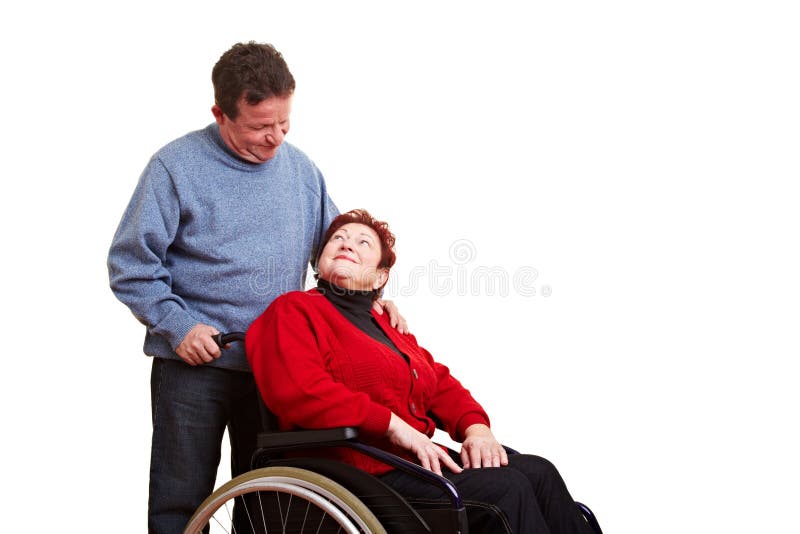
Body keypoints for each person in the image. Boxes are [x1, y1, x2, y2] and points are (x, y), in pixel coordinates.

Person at [108, 43, 405, 533]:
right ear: (220, 114)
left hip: (279, 364)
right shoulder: (174, 167)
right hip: (194, 365)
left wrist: (370, 302)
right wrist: (178, 325)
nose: (275, 139)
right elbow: (130, 263)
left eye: (284, 123)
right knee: (180, 504)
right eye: (259, 127)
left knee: (272, 504)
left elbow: (336, 253)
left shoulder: (301, 170)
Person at [245, 209, 596, 534]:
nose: (347, 242)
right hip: (352, 468)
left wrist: (477, 430)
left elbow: (437, 382)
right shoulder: (294, 310)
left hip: (409, 463)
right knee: (506, 490)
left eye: (362, 242)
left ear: (380, 276)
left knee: (538, 471)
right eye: (338, 239)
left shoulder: (389, 327)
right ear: (319, 263)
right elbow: (301, 389)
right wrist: (393, 425)